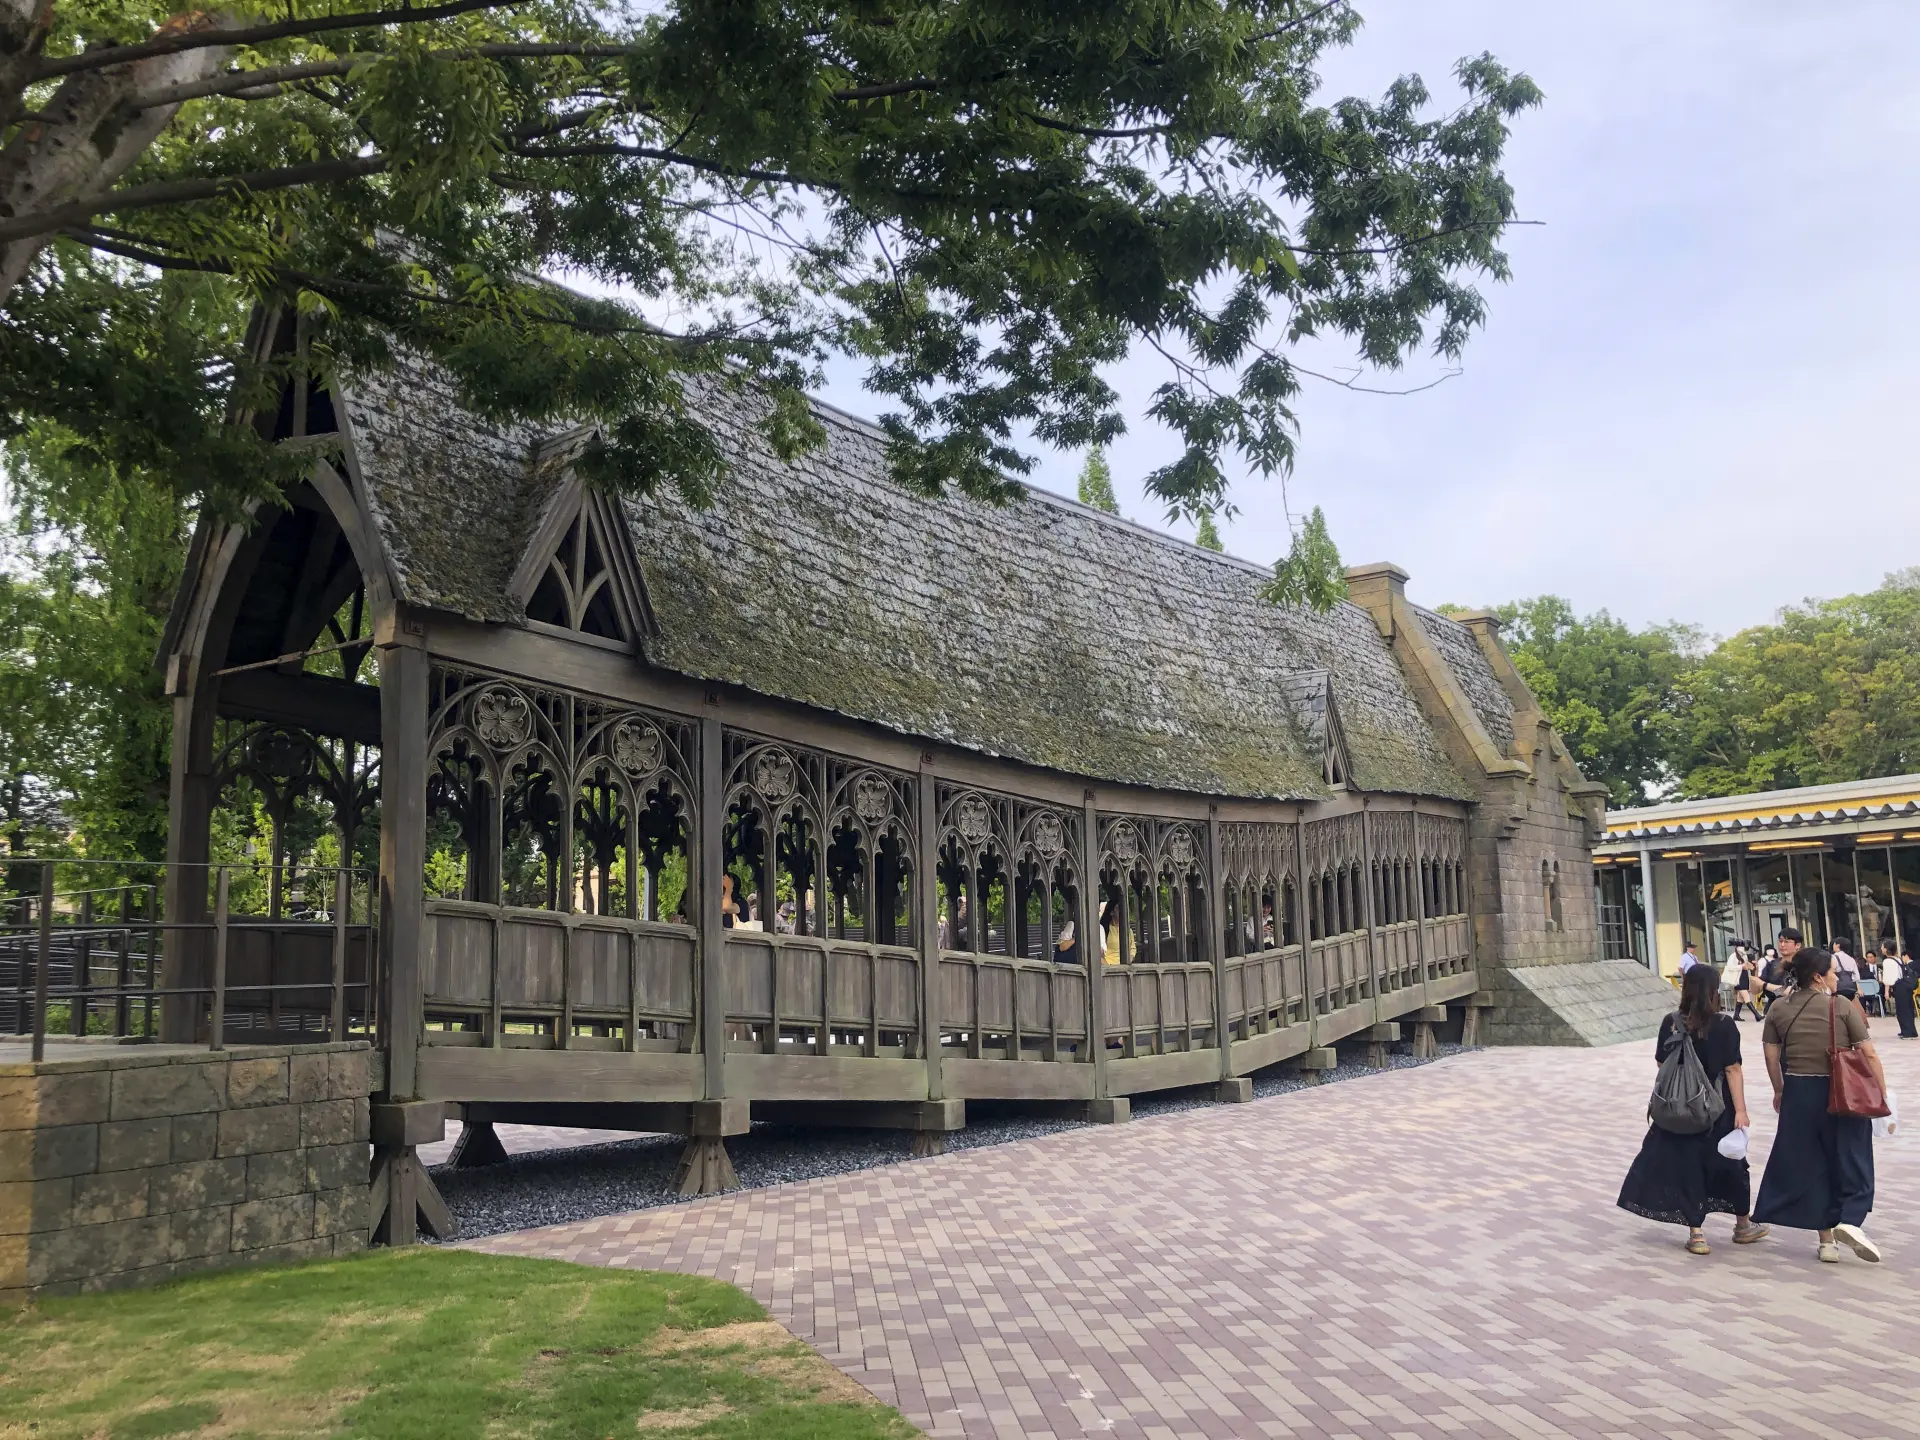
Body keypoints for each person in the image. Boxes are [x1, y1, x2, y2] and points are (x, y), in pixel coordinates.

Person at [1617, 964, 1768, 1254]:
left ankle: (1697, 1234)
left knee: (1687, 1168)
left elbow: (1662, 1064)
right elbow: (1733, 1070)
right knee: (1731, 1163)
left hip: (1677, 1108)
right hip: (1716, 1107)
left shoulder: (1671, 1022)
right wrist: (1741, 1111)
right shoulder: (1723, 1025)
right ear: (1712, 991)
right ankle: (1743, 1225)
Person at [1753, 946, 1885, 1264]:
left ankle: (1826, 1240)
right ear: (1818, 976)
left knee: (1813, 1163)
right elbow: (1868, 1053)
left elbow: (1771, 1057)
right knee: (1853, 1155)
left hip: (1799, 1089)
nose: (1836, 976)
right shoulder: (1839, 1005)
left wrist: (1779, 1090)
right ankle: (1850, 1220)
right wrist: (1880, 1091)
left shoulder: (1779, 1009)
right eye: (1831, 972)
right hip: (1840, 1090)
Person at [1893, 942, 1918, 1040]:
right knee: (1909, 1011)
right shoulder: (1915, 964)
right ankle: (1910, 1030)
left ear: (1906, 956)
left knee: (1905, 1011)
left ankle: (1908, 1031)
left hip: (1904, 989)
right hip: (1911, 990)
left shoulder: (1908, 966)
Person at [1732, 948, 1762, 1022]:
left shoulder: (1743, 957)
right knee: (1746, 997)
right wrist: (1743, 966)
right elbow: (1733, 967)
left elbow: (1750, 966)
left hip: (1743, 978)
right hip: (1739, 979)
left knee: (1740, 998)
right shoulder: (1734, 957)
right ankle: (1757, 1015)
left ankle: (1736, 1015)